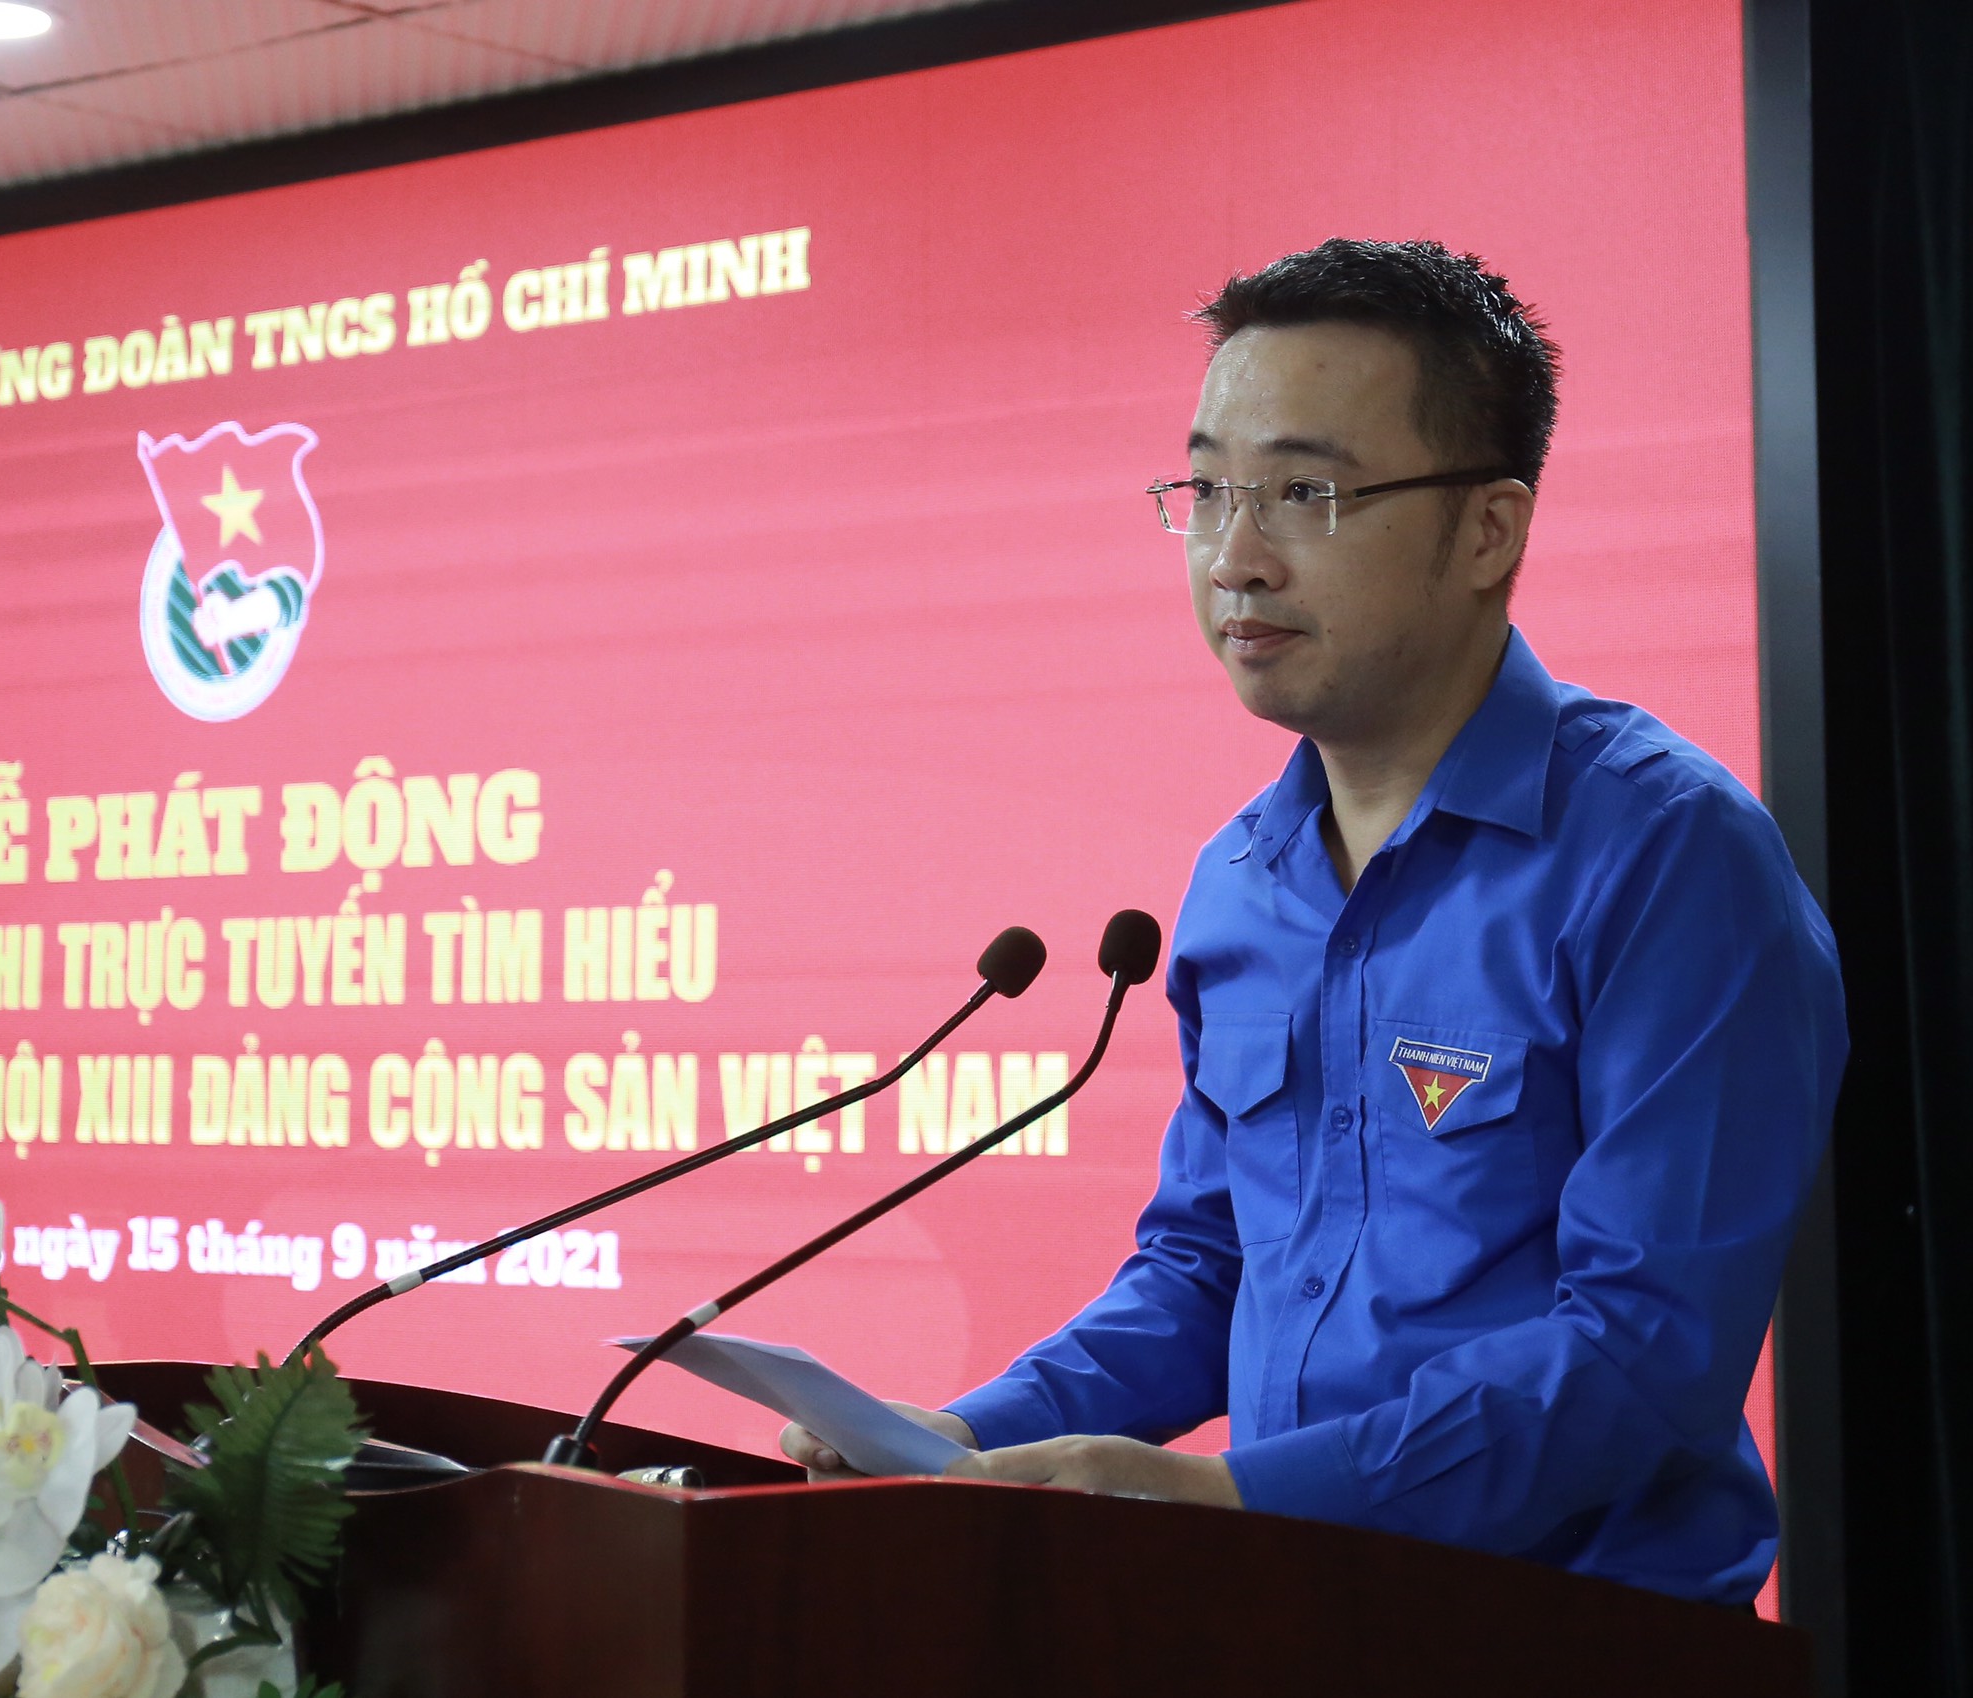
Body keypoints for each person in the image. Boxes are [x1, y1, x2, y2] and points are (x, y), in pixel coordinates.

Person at [782, 239, 1846, 1605]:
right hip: (1287, 1624)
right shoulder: (1244, 877)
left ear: (1489, 530)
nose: (1236, 558)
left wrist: (1242, 1498)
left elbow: (1646, 1353)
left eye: (1305, 492)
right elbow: (1206, 1268)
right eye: (1209, 490)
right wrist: (965, 1437)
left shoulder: (1667, 854)